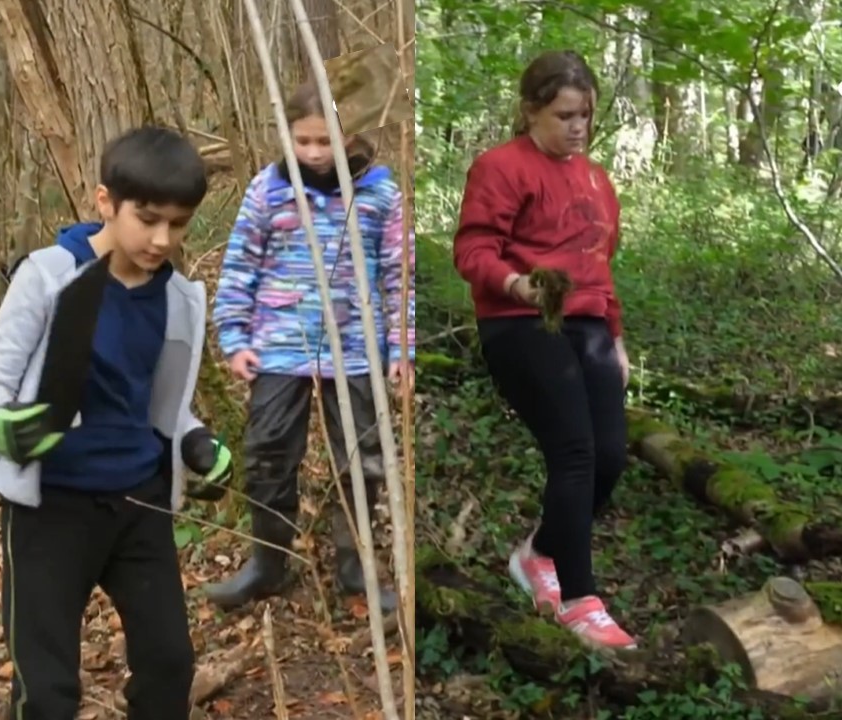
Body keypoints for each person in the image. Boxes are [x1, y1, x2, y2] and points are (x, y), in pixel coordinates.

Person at [0, 126, 235, 720]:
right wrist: (4, 429)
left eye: (178, 224)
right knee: (46, 692)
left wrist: (196, 442)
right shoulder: (48, 276)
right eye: (147, 219)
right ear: (105, 202)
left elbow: (165, 407)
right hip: (52, 507)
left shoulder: (176, 299)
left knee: (169, 664)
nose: (162, 238)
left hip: (138, 503)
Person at [206, 80, 415, 614]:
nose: (315, 152)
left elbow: (398, 275)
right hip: (278, 344)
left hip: (356, 346)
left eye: (326, 141)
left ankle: (355, 567)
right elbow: (240, 264)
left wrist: (401, 347)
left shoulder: (379, 195)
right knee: (269, 453)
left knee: (362, 458)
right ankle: (268, 564)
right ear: (287, 137)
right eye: (303, 141)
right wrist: (234, 336)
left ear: (350, 137)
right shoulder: (268, 190)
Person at [452, 50, 635, 650]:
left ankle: (540, 552)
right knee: (574, 451)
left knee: (610, 455)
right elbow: (473, 250)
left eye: (585, 115)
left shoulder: (597, 180)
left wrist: (616, 338)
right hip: (520, 322)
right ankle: (578, 600)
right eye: (564, 115)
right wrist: (516, 284)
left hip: (588, 325)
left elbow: (600, 266)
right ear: (531, 111)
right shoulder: (501, 167)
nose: (578, 127)